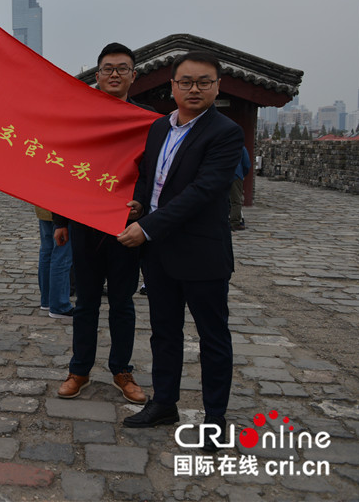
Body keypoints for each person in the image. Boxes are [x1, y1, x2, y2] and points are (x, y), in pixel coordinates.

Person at [117, 51, 243, 450]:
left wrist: (147, 227)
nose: (194, 88)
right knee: (164, 333)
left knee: (213, 338)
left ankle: (215, 419)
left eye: (203, 81)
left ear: (217, 86)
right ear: (171, 86)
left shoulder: (225, 132)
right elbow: (150, 179)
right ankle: (164, 403)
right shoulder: (158, 129)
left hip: (201, 254)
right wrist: (139, 205)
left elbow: (202, 193)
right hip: (160, 255)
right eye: (186, 81)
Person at [54, 43, 156, 404]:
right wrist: (60, 220)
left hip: (127, 227)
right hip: (84, 223)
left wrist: (141, 204)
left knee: (123, 302)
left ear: (134, 76)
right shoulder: (81, 116)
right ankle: (79, 369)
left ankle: (121, 370)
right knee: (85, 303)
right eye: (108, 68)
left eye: (122, 68)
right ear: (97, 76)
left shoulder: (148, 121)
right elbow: (63, 168)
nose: (115, 74)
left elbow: (152, 171)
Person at [35, 205, 73, 318]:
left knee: (46, 252)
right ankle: (59, 305)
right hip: (61, 210)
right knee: (62, 255)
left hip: (43, 205)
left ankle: (47, 300)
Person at [230, 146, 251, 230]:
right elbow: (246, 164)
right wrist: (242, 174)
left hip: (222, 174)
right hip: (235, 174)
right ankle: (234, 222)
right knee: (236, 200)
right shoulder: (240, 147)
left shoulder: (221, 144)